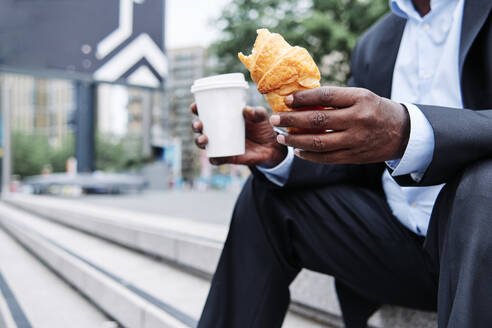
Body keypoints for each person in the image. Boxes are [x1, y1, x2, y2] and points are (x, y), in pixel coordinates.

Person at [191, 0, 492, 327]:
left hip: (480, 241)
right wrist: (282, 153)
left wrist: (408, 129)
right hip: (401, 247)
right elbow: (357, 159)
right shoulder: (374, 43)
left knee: (484, 182)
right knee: (265, 197)